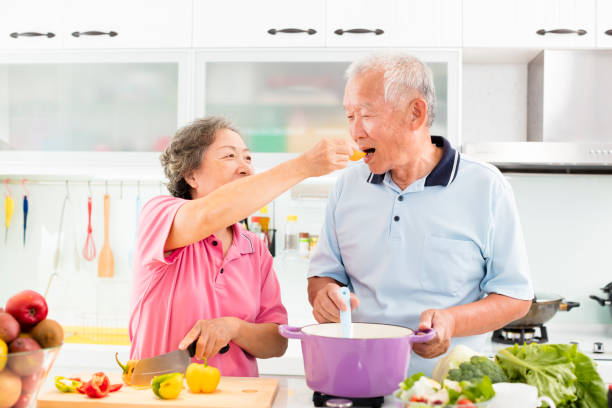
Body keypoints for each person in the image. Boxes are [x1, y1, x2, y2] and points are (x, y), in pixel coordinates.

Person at [307, 52, 533, 375]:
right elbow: (323, 276)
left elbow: (515, 296)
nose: (355, 132)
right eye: (349, 116)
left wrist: (451, 321)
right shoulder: (347, 185)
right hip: (358, 382)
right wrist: (324, 295)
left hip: (448, 389)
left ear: (415, 113)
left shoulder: (487, 187)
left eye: (366, 114)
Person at [129, 116, 358, 376]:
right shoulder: (160, 215)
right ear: (191, 175)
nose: (245, 168)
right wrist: (302, 166)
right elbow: (207, 214)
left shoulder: (254, 248)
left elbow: (276, 342)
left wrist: (235, 328)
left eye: (248, 158)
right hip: (159, 398)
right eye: (229, 156)